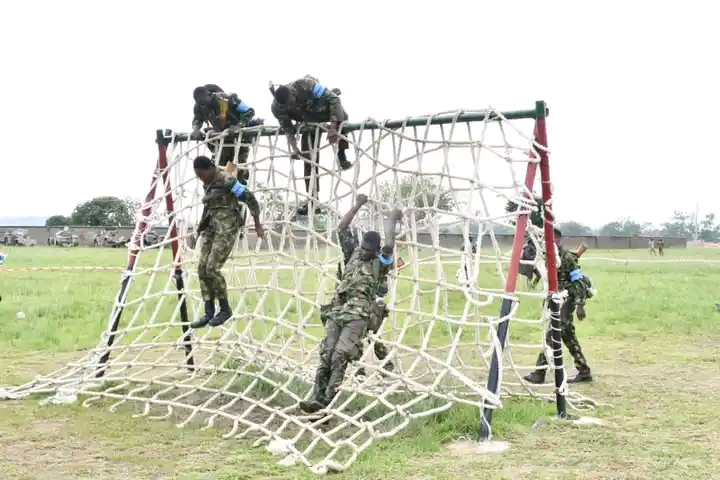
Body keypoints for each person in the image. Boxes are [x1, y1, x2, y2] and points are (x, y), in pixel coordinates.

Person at [300, 195, 403, 414]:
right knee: (326, 353)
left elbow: (390, 243)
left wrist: (392, 219)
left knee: (340, 355)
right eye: (363, 247)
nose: (364, 251)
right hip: (338, 311)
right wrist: (358, 204)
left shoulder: (379, 263)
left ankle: (327, 401)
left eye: (368, 249)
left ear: (375, 251)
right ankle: (315, 397)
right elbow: (342, 228)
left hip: (359, 315)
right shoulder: (353, 254)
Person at [189, 156, 264, 329]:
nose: (200, 178)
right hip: (212, 227)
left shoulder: (227, 180)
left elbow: (249, 198)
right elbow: (208, 207)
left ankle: (224, 309)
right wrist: (200, 228)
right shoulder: (207, 183)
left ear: (209, 169)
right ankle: (209, 311)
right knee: (202, 269)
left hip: (227, 227)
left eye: (201, 174)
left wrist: (258, 224)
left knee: (212, 268)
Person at [270, 75, 353, 215]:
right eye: (286, 105)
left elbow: (333, 99)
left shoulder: (306, 85)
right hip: (307, 121)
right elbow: (288, 129)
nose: (289, 106)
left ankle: (342, 155)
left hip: (323, 108)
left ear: (292, 93)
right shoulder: (277, 108)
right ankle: (313, 200)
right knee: (308, 159)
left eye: (290, 102)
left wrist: (333, 127)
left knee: (342, 119)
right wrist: (294, 148)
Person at [523, 228, 594, 384]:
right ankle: (584, 371)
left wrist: (580, 304)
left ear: (559, 239)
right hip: (554, 300)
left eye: (552, 238)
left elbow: (579, 282)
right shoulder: (545, 257)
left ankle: (539, 373)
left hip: (567, 300)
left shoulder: (567, 257)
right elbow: (530, 271)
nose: (548, 241)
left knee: (551, 336)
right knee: (568, 336)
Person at [190, 84, 263, 185]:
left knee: (237, 173)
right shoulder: (200, 106)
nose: (203, 105)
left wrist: (238, 126)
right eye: (200, 103)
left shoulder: (228, 99)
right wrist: (196, 129)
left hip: (238, 141)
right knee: (220, 175)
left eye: (204, 102)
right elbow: (197, 119)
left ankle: (242, 198)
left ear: (209, 95)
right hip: (222, 144)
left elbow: (249, 111)